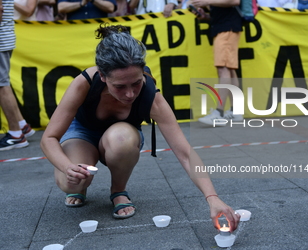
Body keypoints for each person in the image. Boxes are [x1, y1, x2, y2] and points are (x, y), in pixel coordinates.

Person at [40, 24, 240, 231]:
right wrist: (66, 166)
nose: (129, 94)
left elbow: (185, 153)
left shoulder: (151, 96)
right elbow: (49, 138)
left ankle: (118, 190)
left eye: (136, 83)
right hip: (83, 134)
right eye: (119, 86)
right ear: (102, 76)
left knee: (122, 139)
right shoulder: (85, 83)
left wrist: (212, 198)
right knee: (71, 183)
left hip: (120, 137)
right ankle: (79, 186)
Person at [190, 0, 244, 126]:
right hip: (225, 26)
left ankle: (219, 113)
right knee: (230, 69)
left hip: (227, 27)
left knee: (223, 68)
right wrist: (206, 13)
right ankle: (236, 111)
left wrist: (206, 2)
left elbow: (235, 1)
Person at [0, 0, 35, 151]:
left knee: (1, 86)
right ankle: (21, 125)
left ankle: (16, 135)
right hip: (4, 37)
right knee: (3, 84)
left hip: (2, 39)